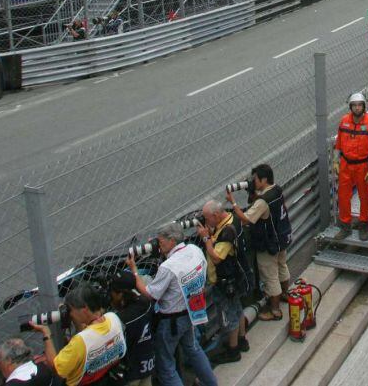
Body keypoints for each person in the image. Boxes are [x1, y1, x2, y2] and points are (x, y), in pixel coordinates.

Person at [125, 223, 218, 386]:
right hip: (192, 312)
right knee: (193, 350)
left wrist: (134, 270)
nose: (158, 245)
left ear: (172, 241)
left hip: (171, 321)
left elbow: (149, 294)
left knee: (166, 365)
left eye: (161, 242)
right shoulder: (195, 250)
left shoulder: (168, 267)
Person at [227, 163, 292, 322]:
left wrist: (233, 203)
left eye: (255, 179)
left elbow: (245, 220)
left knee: (270, 277)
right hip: (281, 238)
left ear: (263, 180)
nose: (253, 181)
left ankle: (275, 310)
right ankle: (284, 294)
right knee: (282, 266)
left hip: (268, 244)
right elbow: (263, 203)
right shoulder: (277, 189)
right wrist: (254, 193)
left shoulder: (262, 202)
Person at [28, 282, 126, 386]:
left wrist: (46, 333)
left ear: (84, 310)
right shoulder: (113, 318)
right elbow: (93, 336)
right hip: (107, 378)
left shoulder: (80, 342)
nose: (69, 314)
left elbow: (55, 367)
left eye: (70, 310)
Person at [198, 199, 249, 363]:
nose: (206, 222)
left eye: (207, 218)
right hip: (235, 277)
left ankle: (233, 350)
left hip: (226, 281)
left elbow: (217, 257)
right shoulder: (232, 219)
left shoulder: (227, 231)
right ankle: (242, 340)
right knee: (238, 308)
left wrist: (206, 239)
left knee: (228, 316)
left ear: (215, 215)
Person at [333, 92, 368, 241]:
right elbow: (338, 144)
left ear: (364, 107)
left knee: (364, 196)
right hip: (346, 165)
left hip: (362, 166)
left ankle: (363, 225)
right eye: (354, 106)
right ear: (351, 107)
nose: (357, 108)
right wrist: (336, 161)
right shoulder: (344, 122)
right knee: (343, 196)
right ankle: (345, 226)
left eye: (359, 105)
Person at [108, 272, 155, 386]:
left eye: (112, 292)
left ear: (120, 295)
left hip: (130, 371)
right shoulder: (146, 303)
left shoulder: (120, 320)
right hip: (148, 364)